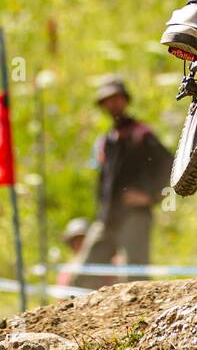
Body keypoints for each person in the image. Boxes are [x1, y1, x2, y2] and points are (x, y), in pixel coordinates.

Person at [72, 76, 171, 290]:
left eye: (116, 98)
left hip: (134, 216)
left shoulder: (141, 134)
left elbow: (169, 165)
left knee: (135, 279)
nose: (112, 104)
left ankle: (141, 320)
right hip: (107, 217)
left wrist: (151, 196)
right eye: (107, 100)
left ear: (125, 100)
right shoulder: (105, 141)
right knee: (84, 274)